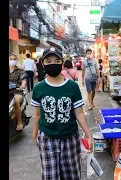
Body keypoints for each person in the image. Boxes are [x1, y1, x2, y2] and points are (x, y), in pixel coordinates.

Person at [31, 47, 93, 179]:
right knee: (50, 176)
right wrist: (34, 134)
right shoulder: (38, 88)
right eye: (48, 61)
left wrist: (89, 135)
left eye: (56, 60)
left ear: (62, 63)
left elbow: (79, 113)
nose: (53, 63)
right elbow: (37, 114)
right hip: (47, 138)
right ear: (43, 64)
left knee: (71, 175)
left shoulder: (72, 87)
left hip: (70, 138)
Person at [9, 53, 26, 131]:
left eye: (14, 59)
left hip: (16, 91)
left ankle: (19, 123)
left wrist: (22, 86)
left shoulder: (20, 71)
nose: (12, 61)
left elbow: (23, 81)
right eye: (10, 59)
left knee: (15, 101)